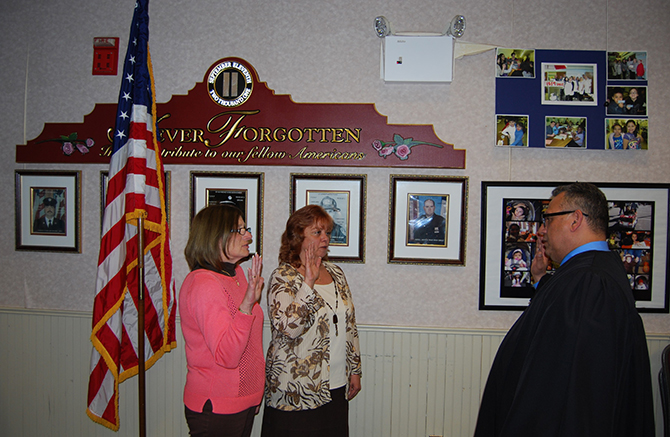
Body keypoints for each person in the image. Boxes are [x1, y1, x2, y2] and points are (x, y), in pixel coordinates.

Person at [474, 182, 655, 437]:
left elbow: (576, 396)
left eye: (547, 220)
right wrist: (540, 279)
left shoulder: (590, 283)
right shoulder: (590, 272)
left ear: (575, 220)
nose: (541, 230)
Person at [262, 205, 362, 437]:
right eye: (317, 232)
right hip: (296, 388)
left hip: (334, 385)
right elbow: (289, 329)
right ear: (298, 237)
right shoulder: (283, 277)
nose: (325, 238)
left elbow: (349, 324)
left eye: (327, 232)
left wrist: (354, 369)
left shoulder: (336, 273)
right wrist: (308, 282)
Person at [179, 204, 265, 437]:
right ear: (217, 236)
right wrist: (246, 306)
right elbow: (228, 355)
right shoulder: (203, 283)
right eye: (240, 229)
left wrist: (253, 393)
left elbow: (250, 344)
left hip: (242, 401)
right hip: (217, 405)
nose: (248, 235)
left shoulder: (236, 275)